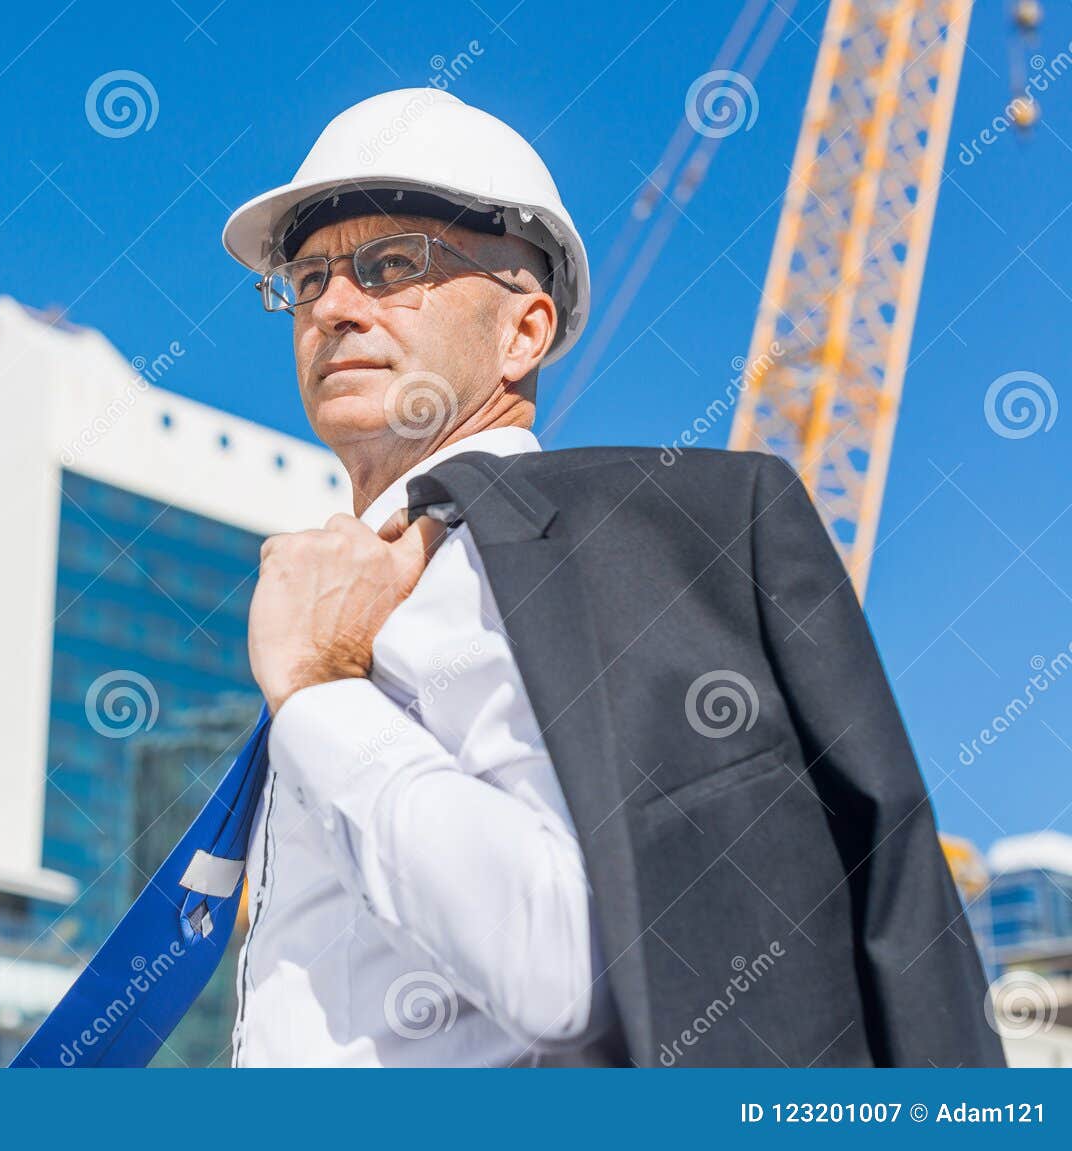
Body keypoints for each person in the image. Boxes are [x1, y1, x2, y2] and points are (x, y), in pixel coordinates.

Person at [218, 87, 1004, 1067]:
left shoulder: (529, 557)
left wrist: (324, 694)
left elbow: (570, 965)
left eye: (391, 266)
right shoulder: (362, 581)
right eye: (308, 277)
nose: (331, 307)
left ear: (523, 333)